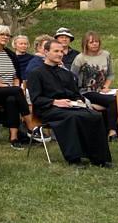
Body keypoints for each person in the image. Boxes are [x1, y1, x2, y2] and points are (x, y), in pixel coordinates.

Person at [26, 39, 112, 168]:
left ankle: (99, 158)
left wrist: (79, 100)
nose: (60, 54)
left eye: (61, 51)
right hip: (47, 109)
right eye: (56, 51)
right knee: (72, 117)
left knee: (94, 115)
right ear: (46, 52)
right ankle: (74, 159)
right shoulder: (36, 73)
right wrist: (55, 102)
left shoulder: (65, 73)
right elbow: (36, 99)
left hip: (70, 106)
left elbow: (74, 93)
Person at [71, 31, 117, 140]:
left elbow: (110, 74)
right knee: (113, 101)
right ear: (85, 44)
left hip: (102, 90)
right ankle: (112, 131)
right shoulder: (80, 58)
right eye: (91, 42)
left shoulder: (106, 55)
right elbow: (72, 77)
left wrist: (106, 86)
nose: (95, 44)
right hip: (86, 91)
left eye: (96, 41)